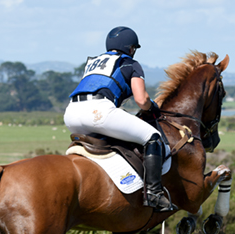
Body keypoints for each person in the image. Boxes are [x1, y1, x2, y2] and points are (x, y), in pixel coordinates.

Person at [64, 26, 176, 212]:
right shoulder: (130, 64)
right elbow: (142, 100)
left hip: (71, 114)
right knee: (152, 137)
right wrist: (152, 108)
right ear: (129, 47)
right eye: (133, 48)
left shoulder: (93, 62)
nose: (133, 52)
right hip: (98, 112)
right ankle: (154, 194)